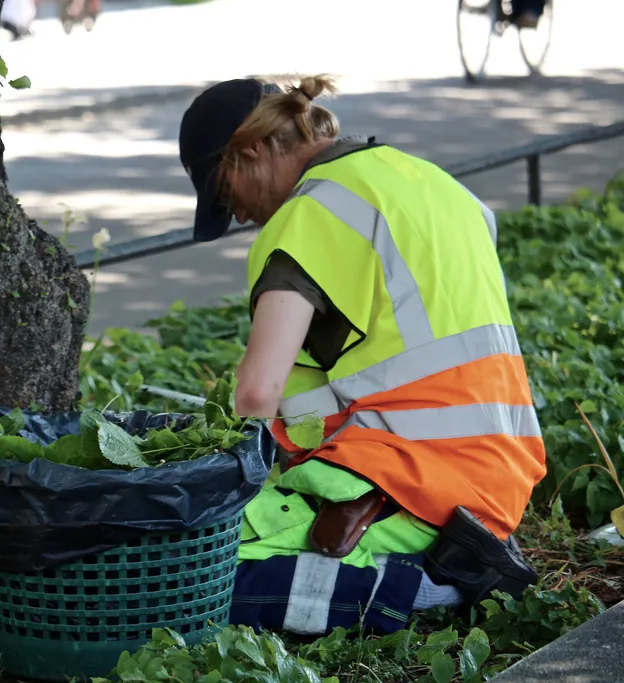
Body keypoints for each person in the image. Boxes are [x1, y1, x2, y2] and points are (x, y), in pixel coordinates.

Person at [177, 76, 547, 635]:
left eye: (226, 194)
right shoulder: (433, 182)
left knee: (196, 571)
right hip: (494, 479)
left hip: (406, 484)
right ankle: (454, 556)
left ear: (251, 151)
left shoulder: (310, 213)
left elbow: (256, 394)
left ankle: (427, 587)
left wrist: (215, 473)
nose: (240, 216)